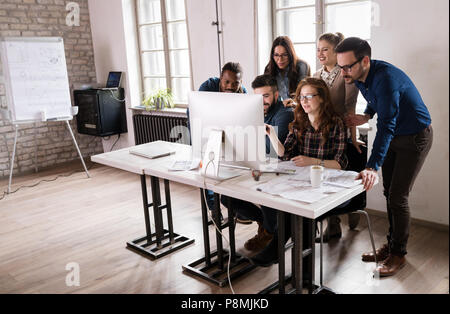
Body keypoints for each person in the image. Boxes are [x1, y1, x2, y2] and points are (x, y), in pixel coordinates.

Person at [335, 37, 433, 277]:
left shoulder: (386, 79)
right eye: (340, 67)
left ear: (365, 60)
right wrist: (367, 115)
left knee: (398, 197)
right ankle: (392, 245)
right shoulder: (359, 76)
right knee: (389, 192)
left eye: (348, 67)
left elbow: (387, 126)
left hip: (415, 137)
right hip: (396, 135)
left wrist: (371, 166)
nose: (343, 73)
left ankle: (398, 254)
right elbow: (375, 99)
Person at [251, 77, 348, 266]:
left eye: (309, 96)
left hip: (328, 182)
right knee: (285, 202)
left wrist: (313, 161)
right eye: (301, 97)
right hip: (303, 180)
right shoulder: (299, 122)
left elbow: (340, 163)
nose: (303, 101)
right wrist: (270, 133)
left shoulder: (336, 123)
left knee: (299, 211)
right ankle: (296, 268)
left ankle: (280, 252)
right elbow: (285, 154)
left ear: (321, 98)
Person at [220, 75, 294, 252]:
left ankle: (269, 232)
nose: (262, 101)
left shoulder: (284, 114)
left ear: (276, 95)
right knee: (226, 197)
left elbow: (273, 151)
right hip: (258, 167)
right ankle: (265, 222)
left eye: (266, 96)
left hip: (280, 170)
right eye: (258, 97)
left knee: (264, 193)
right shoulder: (257, 112)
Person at [313, 32, 362, 242]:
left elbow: (350, 107)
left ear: (336, 52)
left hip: (342, 130)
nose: (320, 53)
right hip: (321, 133)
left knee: (341, 176)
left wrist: (353, 137)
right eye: (318, 49)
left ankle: (353, 208)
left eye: (325, 49)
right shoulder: (315, 75)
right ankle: (332, 226)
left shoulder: (345, 74)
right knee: (323, 179)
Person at [187, 62, 248, 214]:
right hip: (203, 125)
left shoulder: (242, 93)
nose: (230, 86)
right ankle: (214, 209)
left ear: (241, 82)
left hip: (227, 127)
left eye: (235, 83)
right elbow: (200, 114)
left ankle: (233, 205)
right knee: (208, 167)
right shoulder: (207, 87)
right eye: (227, 82)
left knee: (229, 166)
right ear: (220, 78)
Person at [264, 36, 310, 107]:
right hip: (278, 109)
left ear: (290, 54)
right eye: (276, 55)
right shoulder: (268, 69)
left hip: (299, 107)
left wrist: (293, 102)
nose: (280, 60)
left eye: (284, 55)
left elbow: (305, 93)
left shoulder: (302, 66)